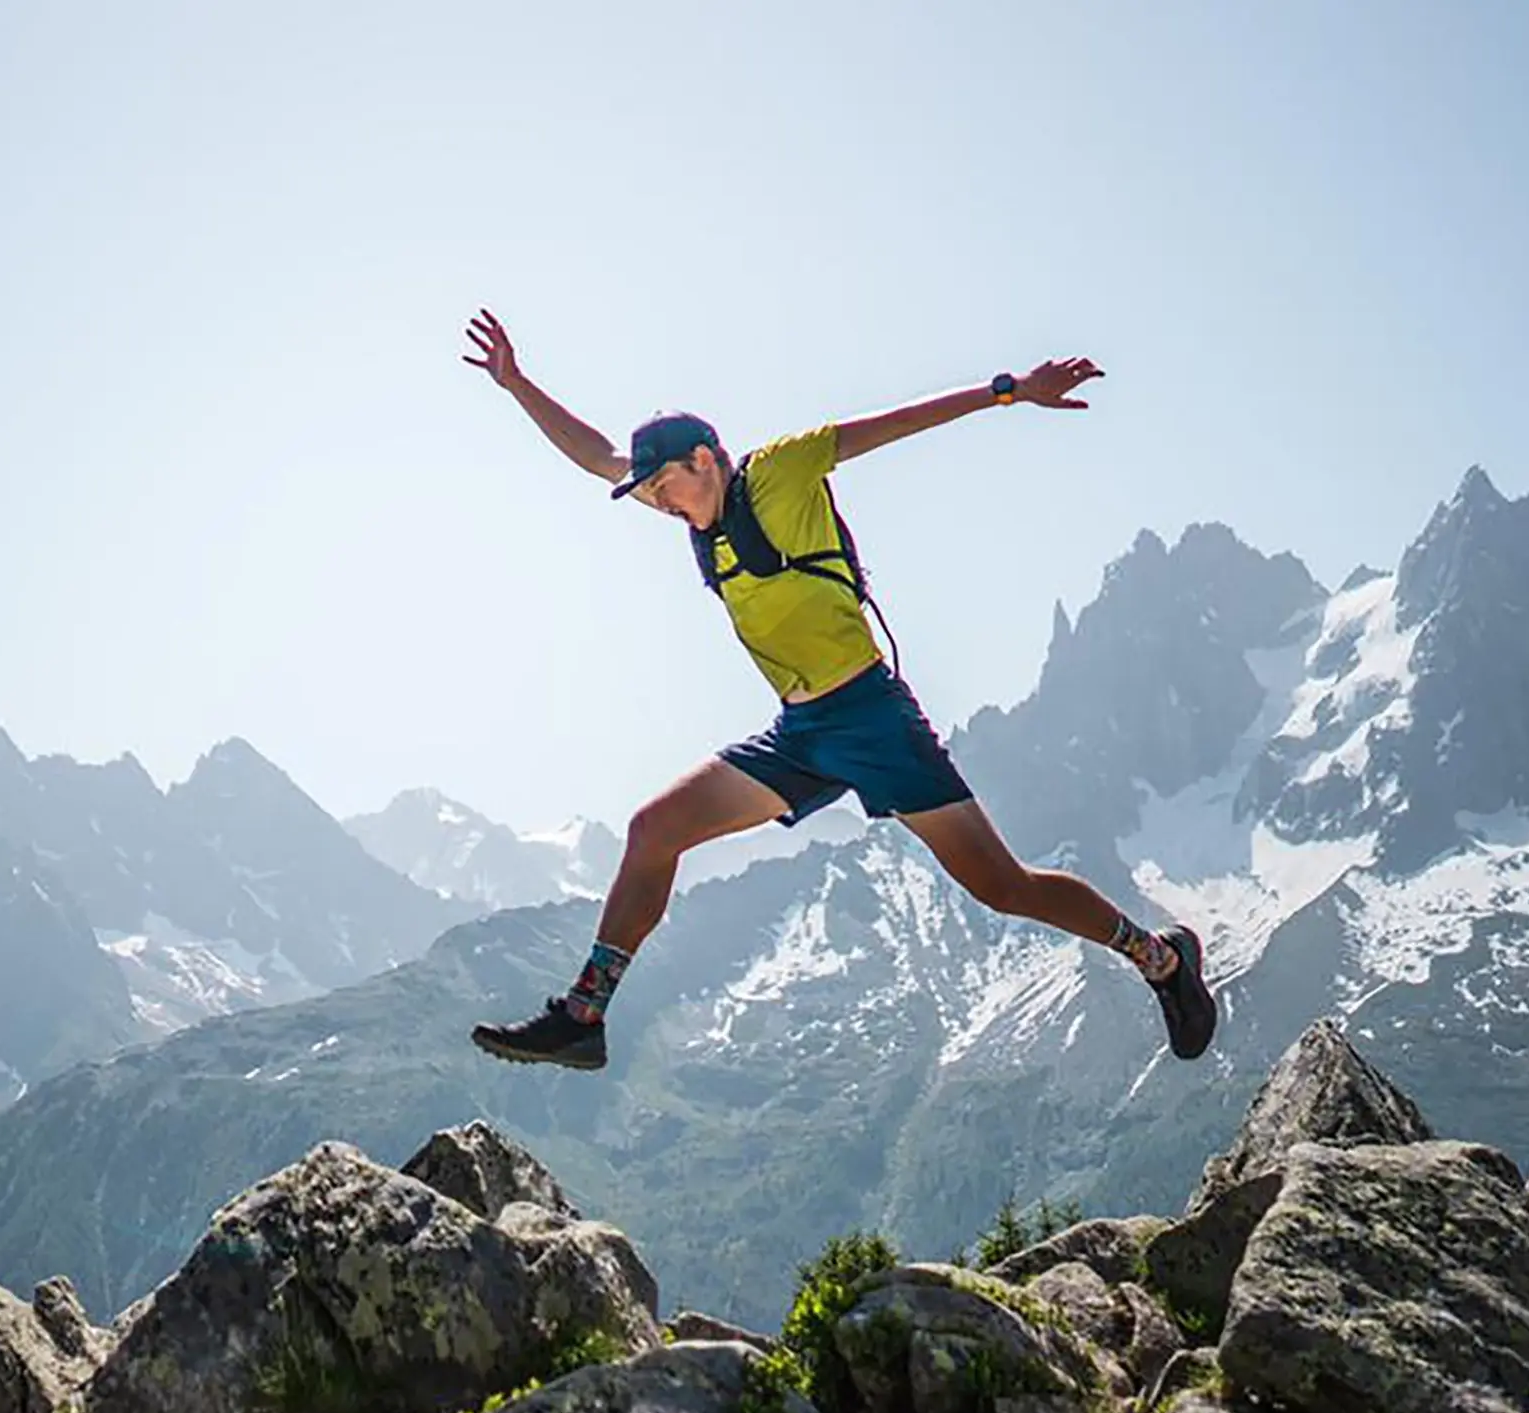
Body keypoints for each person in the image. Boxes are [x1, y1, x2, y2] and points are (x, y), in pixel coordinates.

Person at [456, 308, 1216, 1072]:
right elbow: (596, 456)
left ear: (703, 459)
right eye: (650, 490)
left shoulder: (780, 472)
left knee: (1002, 886)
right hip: (801, 733)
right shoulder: (687, 504)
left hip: (873, 719)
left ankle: (1161, 959)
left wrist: (1012, 390)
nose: (659, 501)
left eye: (664, 485)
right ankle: (583, 1016)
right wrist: (518, 384)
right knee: (654, 830)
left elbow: (888, 426)